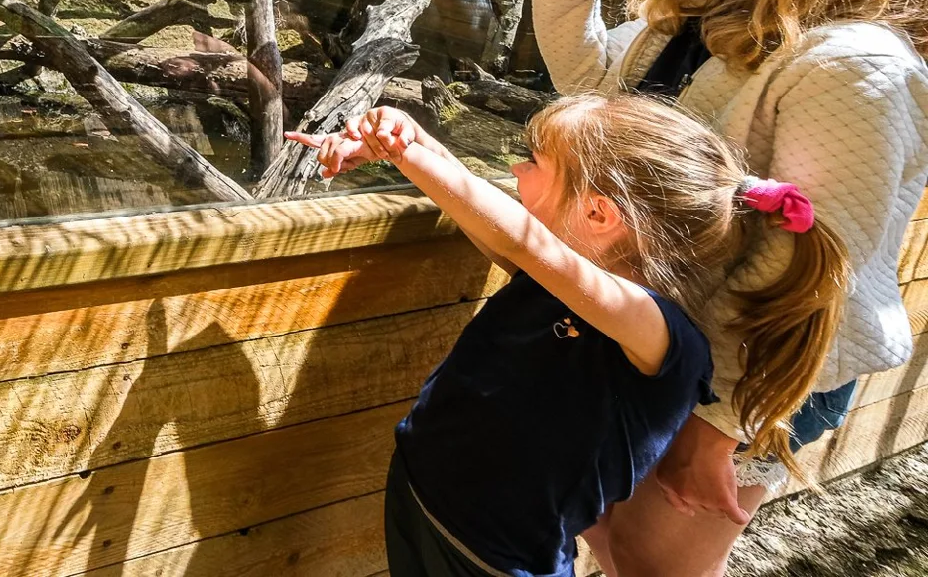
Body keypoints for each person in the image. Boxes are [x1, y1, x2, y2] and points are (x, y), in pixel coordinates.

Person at [485, 0, 928, 575]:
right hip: (667, 338)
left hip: (753, 370)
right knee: (609, 542)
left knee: (657, 564)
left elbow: (822, 271)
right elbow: (602, 102)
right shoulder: (705, 4)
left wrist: (717, 423)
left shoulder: (853, 66)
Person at [288, 95, 845, 577]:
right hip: (423, 494)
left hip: (497, 556)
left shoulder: (660, 335)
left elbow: (525, 242)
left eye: (533, 161)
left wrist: (410, 153)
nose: (514, 167)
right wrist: (408, 142)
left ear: (599, 214)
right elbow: (507, 233)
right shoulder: (561, 276)